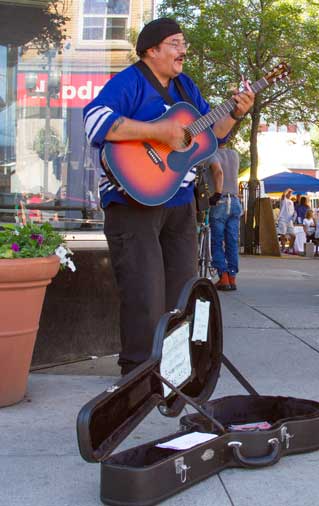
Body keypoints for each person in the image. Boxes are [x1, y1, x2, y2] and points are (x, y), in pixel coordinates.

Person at [82, 18, 254, 375]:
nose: (183, 51)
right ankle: (138, 374)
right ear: (152, 49)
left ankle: (174, 371)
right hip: (132, 204)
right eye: (175, 43)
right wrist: (159, 131)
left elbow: (211, 135)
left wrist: (236, 112)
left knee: (181, 292)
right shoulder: (128, 82)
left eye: (183, 43)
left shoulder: (186, 87)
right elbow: (95, 121)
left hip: (178, 204)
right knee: (143, 293)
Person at [203, 141, 241, 291]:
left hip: (221, 201)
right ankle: (232, 277)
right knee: (232, 241)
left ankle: (223, 277)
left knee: (217, 241)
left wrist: (216, 194)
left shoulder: (211, 154)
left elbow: (218, 172)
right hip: (235, 201)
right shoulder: (234, 155)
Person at [277, 188, 296, 253]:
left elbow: (292, 211)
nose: (290, 194)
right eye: (289, 193)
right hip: (283, 219)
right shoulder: (283, 200)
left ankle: (290, 248)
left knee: (293, 235)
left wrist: (293, 216)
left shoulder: (291, 202)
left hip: (289, 220)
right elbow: (283, 195)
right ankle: (283, 248)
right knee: (283, 234)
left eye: (291, 193)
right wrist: (286, 190)